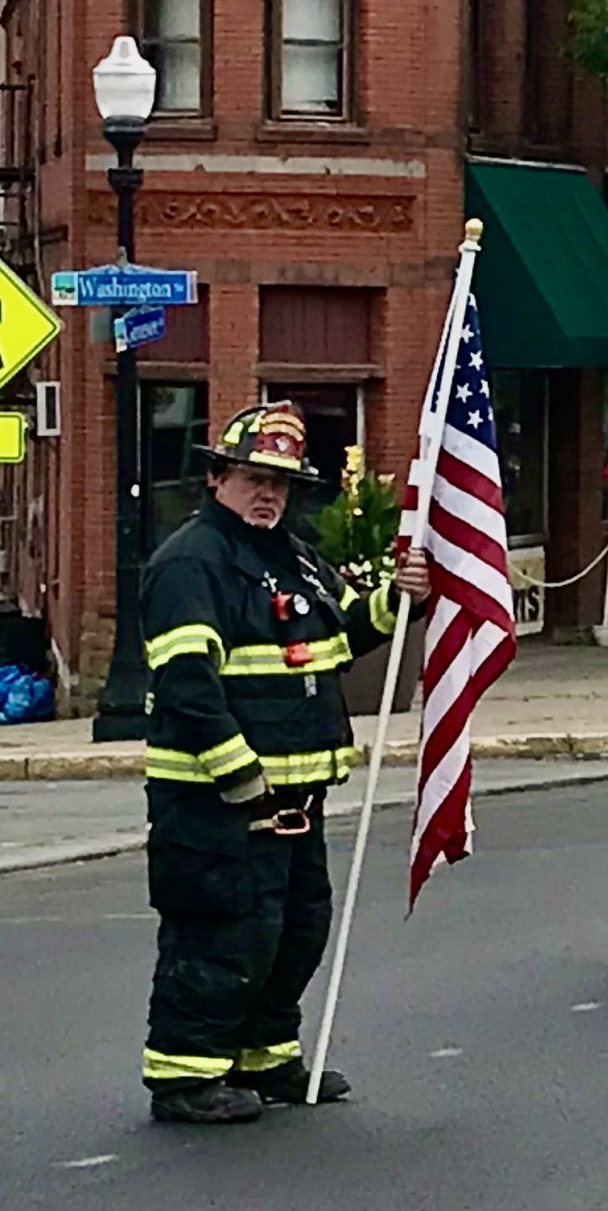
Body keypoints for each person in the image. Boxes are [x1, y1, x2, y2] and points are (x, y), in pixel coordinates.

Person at [136, 402, 432, 1125]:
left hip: (298, 795)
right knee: (223, 930)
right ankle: (185, 1073)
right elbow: (186, 684)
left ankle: (265, 1057)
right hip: (221, 801)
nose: (268, 493)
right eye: (253, 477)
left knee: (295, 929)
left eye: (282, 482)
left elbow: (342, 633)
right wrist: (241, 777)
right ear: (217, 478)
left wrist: (402, 600)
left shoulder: (293, 555)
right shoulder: (191, 561)